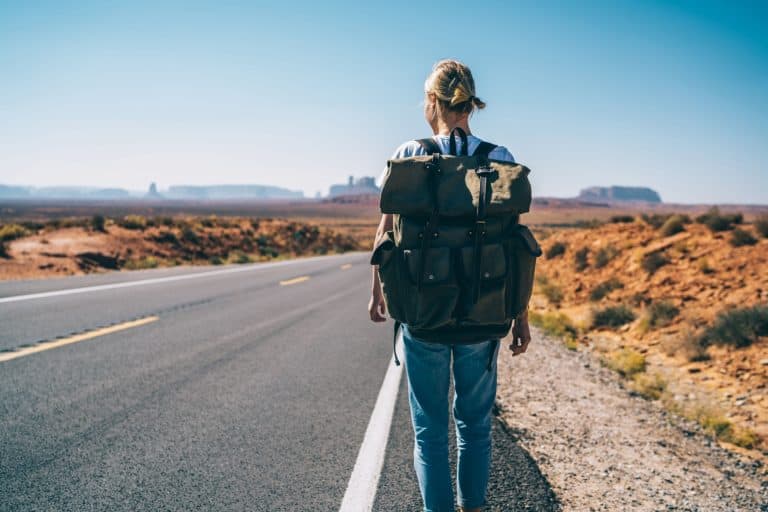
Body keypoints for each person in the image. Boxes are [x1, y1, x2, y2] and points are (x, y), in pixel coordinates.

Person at [369, 59, 533, 512]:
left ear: (432, 101)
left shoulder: (409, 155)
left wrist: (377, 291)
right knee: (475, 426)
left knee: (430, 431)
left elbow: (385, 234)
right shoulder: (499, 159)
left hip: (424, 313)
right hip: (484, 311)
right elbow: (515, 246)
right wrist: (520, 315)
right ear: (470, 104)